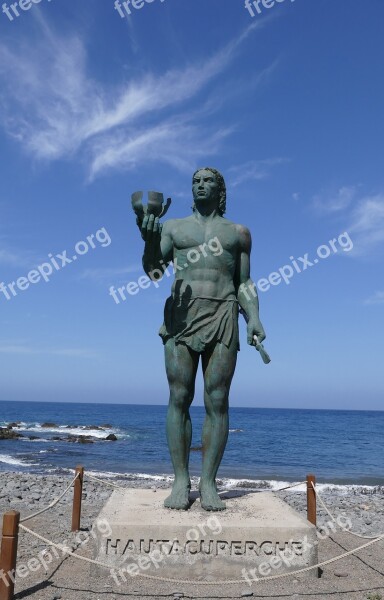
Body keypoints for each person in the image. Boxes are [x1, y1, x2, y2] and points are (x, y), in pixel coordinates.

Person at [140, 167, 266, 511]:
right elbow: (153, 271)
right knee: (178, 395)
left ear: (220, 189)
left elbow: (244, 282)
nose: (200, 184)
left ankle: (208, 482)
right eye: (195, 181)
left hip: (224, 316)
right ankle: (180, 479)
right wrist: (149, 237)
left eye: (207, 180)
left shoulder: (238, 233)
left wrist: (254, 316)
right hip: (181, 318)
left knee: (218, 399)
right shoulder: (174, 228)